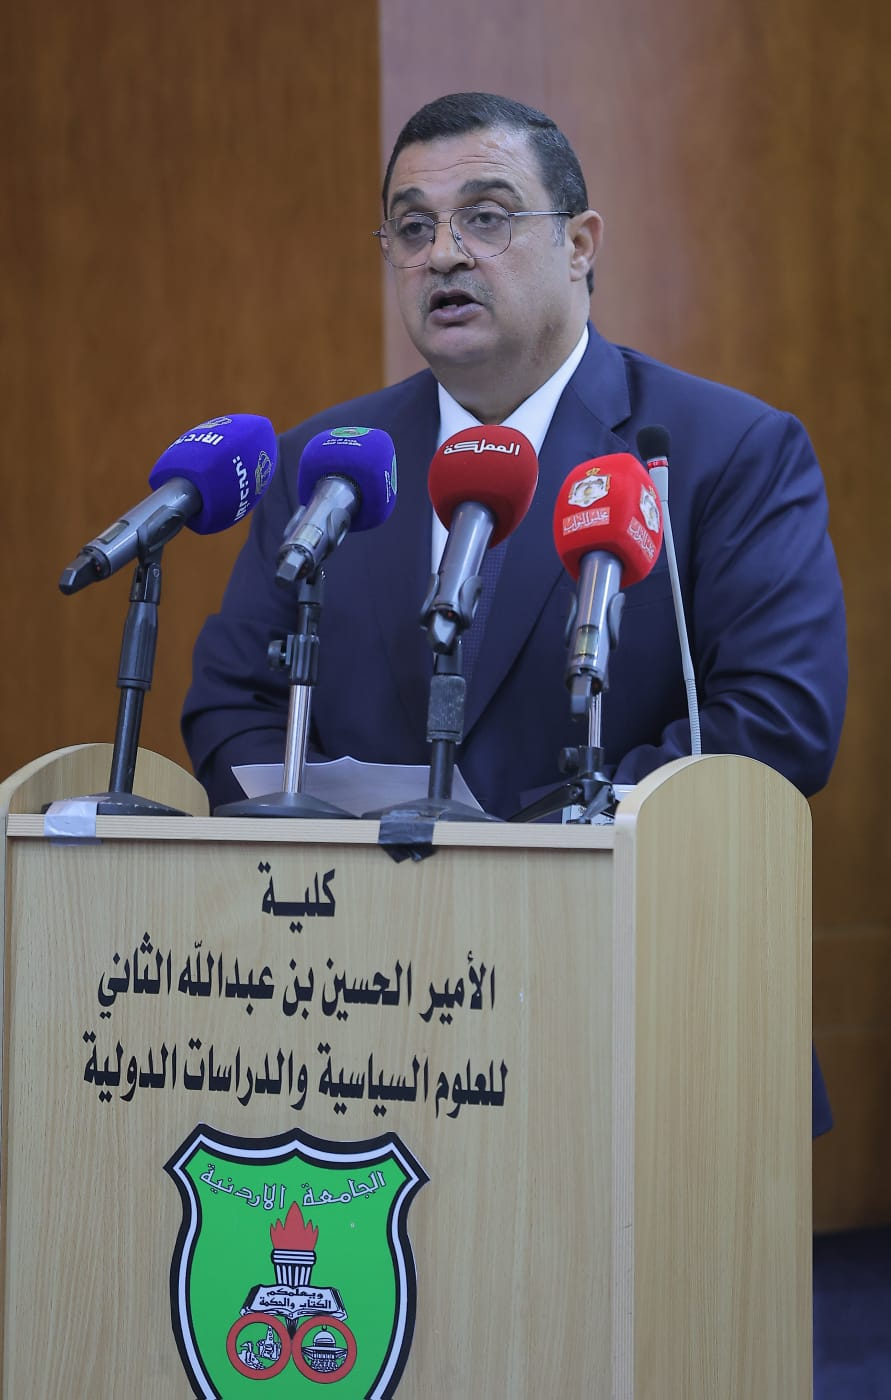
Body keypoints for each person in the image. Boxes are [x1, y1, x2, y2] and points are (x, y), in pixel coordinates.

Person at [183, 94, 844, 1133]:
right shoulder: (333, 463)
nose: (443, 253)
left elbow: (776, 722)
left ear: (580, 245)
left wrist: (513, 860)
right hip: (369, 1017)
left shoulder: (720, 450)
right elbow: (232, 703)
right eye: (412, 228)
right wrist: (333, 853)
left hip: (645, 1010)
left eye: (486, 218)